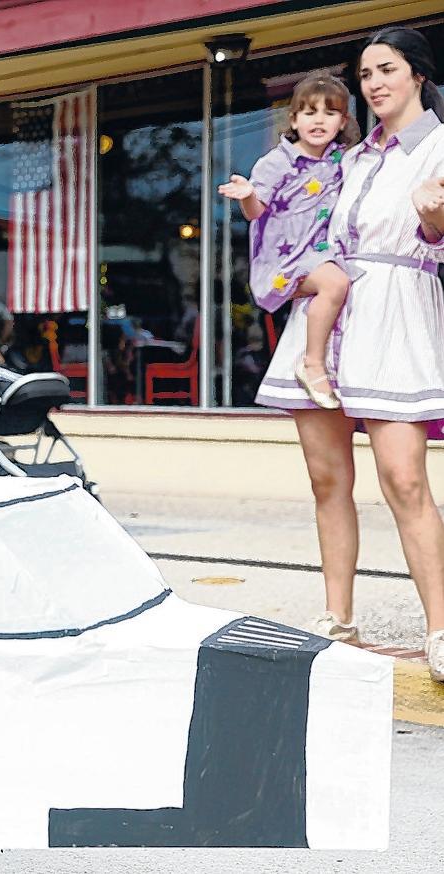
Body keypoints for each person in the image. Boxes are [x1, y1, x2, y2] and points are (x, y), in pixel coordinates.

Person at [254, 26, 444, 683]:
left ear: (418, 73)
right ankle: (338, 620)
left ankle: (440, 629)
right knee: (327, 480)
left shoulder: (440, 146)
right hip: (328, 315)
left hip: (397, 311)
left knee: (404, 479)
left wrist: (432, 216)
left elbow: (437, 234)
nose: (374, 84)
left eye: (386, 69)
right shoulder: (349, 157)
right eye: (365, 74)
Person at [222, 72, 359, 408]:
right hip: (286, 260)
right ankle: (312, 363)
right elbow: (256, 212)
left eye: (329, 113)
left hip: (319, 252)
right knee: (336, 283)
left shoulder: (341, 160)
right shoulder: (277, 162)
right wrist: (248, 195)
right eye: (310, 112)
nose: (319, 120)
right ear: (294, 120)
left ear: (343, 121)